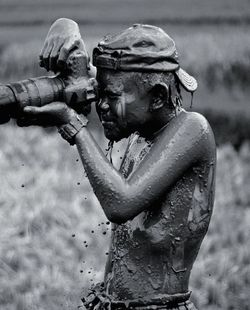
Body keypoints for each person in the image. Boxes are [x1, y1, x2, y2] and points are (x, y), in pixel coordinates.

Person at [18, 19, 216, 310]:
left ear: (158, 97)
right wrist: (66, 26)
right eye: (101, 95)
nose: (102, 106)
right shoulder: (143, 129)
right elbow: (105, 79)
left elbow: (121, 205)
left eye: (111, 99)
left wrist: (72, 125)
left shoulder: (193, 129)